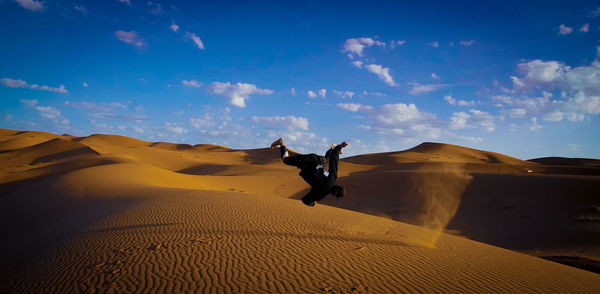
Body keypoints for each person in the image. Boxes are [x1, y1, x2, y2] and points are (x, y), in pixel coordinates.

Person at [271, 138, 348, 206]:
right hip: (306, 163)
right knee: (286, 160)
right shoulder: (321, 193)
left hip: (316, 159)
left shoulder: (333, 178)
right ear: (334, 195)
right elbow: (305, 200)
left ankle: (332, 148)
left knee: (327, 159)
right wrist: (312, 203)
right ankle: (281, 143)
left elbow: (334, 160)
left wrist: (339, 147)